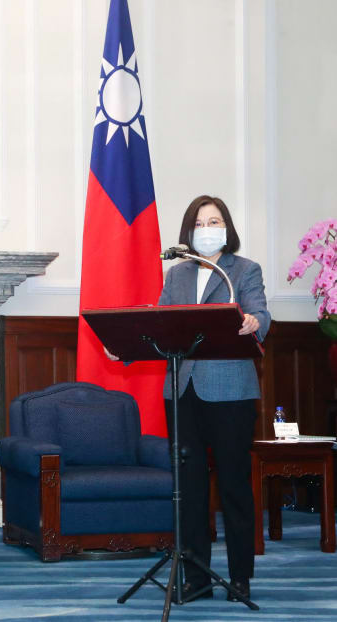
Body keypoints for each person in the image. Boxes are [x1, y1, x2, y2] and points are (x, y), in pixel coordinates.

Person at [158, 195, 270, 603]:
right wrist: (134, 342)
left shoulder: (245, 270)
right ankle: (196, 578)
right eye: (200, 223)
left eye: (215, 221)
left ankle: (240, 577)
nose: (208, 229)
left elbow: (260, 312)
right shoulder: (177, 276)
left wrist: (255, 321)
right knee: (187, 489)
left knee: (234, 487)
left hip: (230, 394)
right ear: (189, 233)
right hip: (182, 392)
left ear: (227, 228)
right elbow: (162, 323)